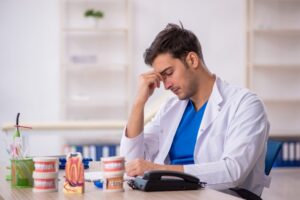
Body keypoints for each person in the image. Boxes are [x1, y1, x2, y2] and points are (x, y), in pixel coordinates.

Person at [120, 23, 270, 197]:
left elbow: (233, 171)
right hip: (172, 194)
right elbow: (131, 162)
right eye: (162, 77)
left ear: (192, 60)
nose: (166, 85)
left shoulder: (245, 104)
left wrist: (161, 170)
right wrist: (139, 102)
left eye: (169, 73)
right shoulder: (171, 108)